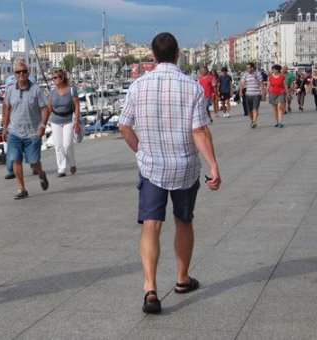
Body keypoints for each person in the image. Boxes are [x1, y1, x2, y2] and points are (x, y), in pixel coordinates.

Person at [118, 32, 221, 314]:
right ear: (178, 55)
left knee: (151, 225)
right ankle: (182, 279)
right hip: (185, 167)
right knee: (183, 221)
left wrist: (141, 152)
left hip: (152, 168)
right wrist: (213, 166)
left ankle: (150, 288)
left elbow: (124, 126)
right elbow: (198, 130)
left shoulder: (138, 86)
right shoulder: (192, 87)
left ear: (152, 56)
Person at [2, 61, 50, 199]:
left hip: (33, 132)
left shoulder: (35, 89)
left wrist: (42, 126)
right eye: (18, 72)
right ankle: (22, 189)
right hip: (15, 131)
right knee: (15, 159)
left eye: (24, 71)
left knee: (34, 162)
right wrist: (5, 128)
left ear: (28, 73)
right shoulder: (10, 89)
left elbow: (45, 108)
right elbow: (7, 108)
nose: (21, 74)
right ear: (14, 75)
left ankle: (41, 174)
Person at [48, 69, 81, 177]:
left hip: (68, 120)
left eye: (55, 77)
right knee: (58, 146)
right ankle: (61, 169)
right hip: (55, 120)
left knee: (67, 145)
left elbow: (77, 106)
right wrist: (43, 121)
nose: (53, 80)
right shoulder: (52, 92)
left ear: (62, 78)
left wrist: (76, 122)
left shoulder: (71, 90)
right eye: (52, 78)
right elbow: (49, 107)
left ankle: (72, 164)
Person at [239, 62, 265, 128]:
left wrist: (262, 93)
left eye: (248, 68)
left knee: (255, 108)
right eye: (246, 68)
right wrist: (240, 91)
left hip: (256, 94)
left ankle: (254, 122)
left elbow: (261, 84)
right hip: (248, 95)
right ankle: (252, 121)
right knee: (249, 110)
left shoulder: (258, 74)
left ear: (252, 68)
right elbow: (242, 83)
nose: (247, 69)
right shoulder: (245, 74)